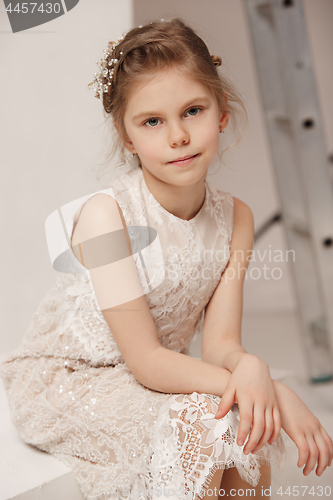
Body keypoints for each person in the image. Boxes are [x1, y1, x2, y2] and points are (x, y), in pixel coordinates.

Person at [1, 17, 332, 500]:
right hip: (71, 379)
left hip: (155, 372)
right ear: (128, 137)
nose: (177, 135)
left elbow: (219, 346)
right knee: (209, 421)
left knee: (240, 417)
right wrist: (272, 389)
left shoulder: (235, 218)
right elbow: (147, 361)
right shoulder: (108, 216)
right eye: (152, 121)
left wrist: (249, 369)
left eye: (192, 110)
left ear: (221, 112)